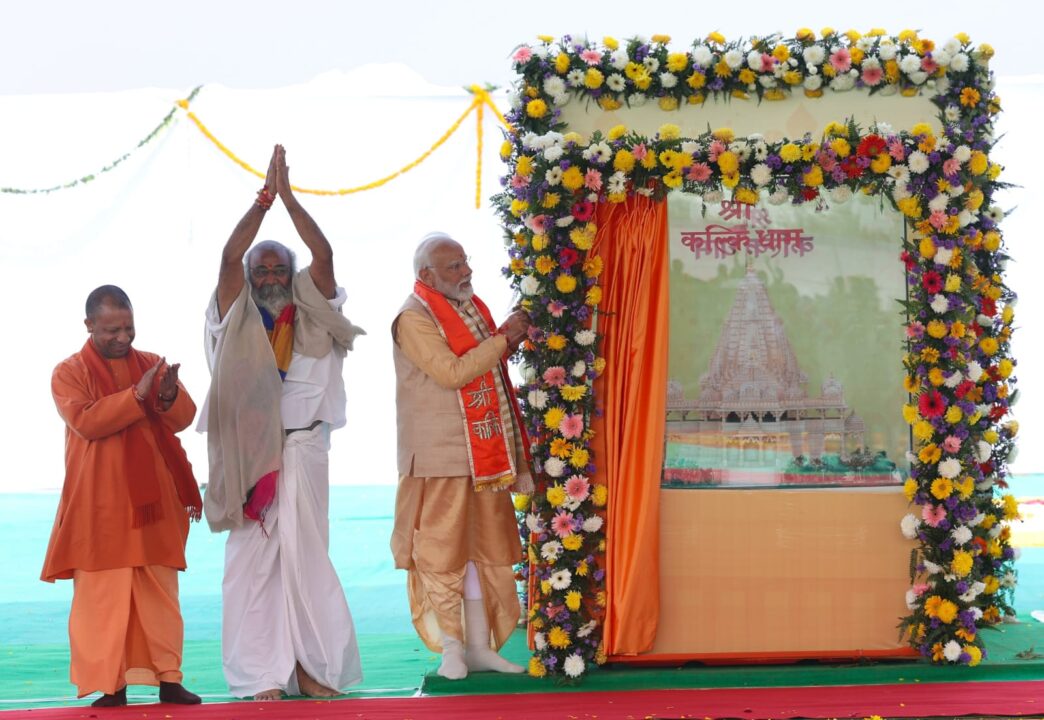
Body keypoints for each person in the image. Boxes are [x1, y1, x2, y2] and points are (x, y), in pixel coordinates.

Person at [197, 144, 364, 701]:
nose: (270, 275)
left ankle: (311, 669)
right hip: (250, 457)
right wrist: (263, 202)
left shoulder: (315, 308)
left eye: (279, 268)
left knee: (306, 560)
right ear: (249, 278)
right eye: (261, 269)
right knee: (252, 567)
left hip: (305, 450)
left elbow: (323, 253)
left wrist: (290, 200)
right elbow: (228, 258)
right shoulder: (232, 314)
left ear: (291, 276)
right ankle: (261, 675)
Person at [41, 285, 203, 707]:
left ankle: (169, 680)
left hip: (155, 506)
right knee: (102, 601)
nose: (123, 337)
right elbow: (87, 421)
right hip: (99, 506)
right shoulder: (68, 372)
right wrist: (135, 396)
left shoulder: (151, 364)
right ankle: (112, 687)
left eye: (128, 328)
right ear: (89, 325)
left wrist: (166, 395)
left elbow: (183, 418)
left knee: (160, 596)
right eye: (112, 330)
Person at [390, 232, 532, 680]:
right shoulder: (413, 318)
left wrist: (505, 339)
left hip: (483, 455)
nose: (466, 271)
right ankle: (451, 649)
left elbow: (484, 366)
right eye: (454, 266)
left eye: (465, 261)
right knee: (442, 556)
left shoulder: (467, 310)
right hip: (441, 459)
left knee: (484, 552)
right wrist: (503, 339)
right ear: (427, 275)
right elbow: (452, 372)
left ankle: (480, 646)